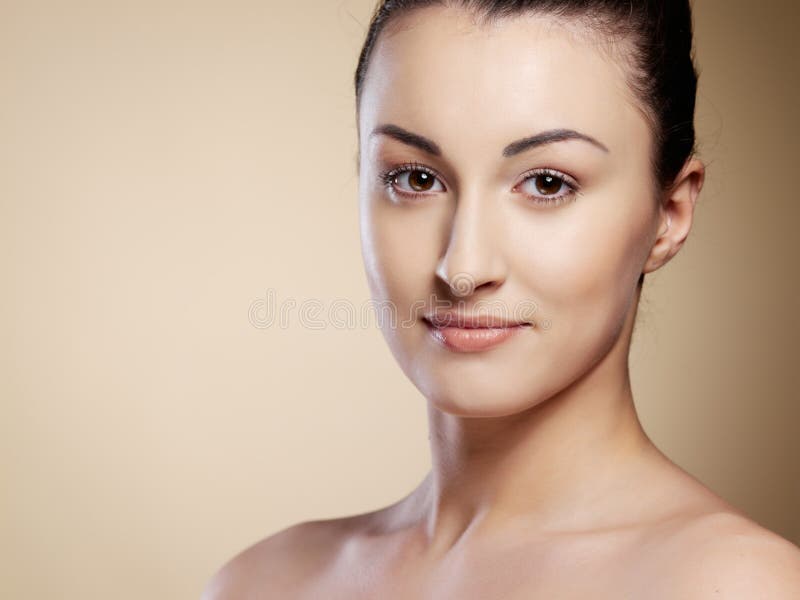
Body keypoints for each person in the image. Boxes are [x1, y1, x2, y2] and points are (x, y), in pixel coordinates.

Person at [203, 1, 800, 597]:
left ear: (669, 215)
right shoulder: (260, 583)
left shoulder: (737, 585)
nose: (463, 267)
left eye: (547, 183)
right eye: (415, 178)